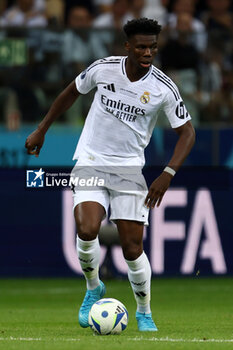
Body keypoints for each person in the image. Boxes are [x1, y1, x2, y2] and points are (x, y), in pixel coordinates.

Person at [25, 18, 195, 331]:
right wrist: (41, 129)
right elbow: (70, 92)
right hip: (91, 159)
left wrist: (168, 173)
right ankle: (93, 289)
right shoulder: (103, 68)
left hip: (129, 167)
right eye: (142, 46)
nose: (148, 52)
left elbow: (187, 132)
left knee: (132, 248)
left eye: (153, 47)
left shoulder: (162, 87)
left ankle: (144, 311)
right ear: (127, 46)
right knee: (87, 228)